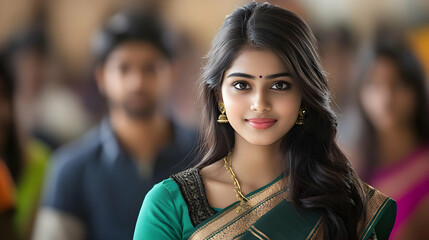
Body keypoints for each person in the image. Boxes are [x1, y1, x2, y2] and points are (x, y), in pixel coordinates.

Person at [134, 2, 396, 240]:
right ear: (218, 96)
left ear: (304, 95)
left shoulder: (341, 199)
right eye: (241, 85)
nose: (260, 103)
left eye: (280, 85)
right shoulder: (169, 205)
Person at [33, 11, 197, 240]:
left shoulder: (207, 156)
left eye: (150, 68)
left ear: (172, 72)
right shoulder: (71, 169)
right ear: (101, 77)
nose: (136, 81)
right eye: (123, 69)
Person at [354, 30, 429, 239]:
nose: (385, 97)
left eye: (398, 84)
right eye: (374, 84)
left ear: (416, 90)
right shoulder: (350, 166)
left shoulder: (424, 169)